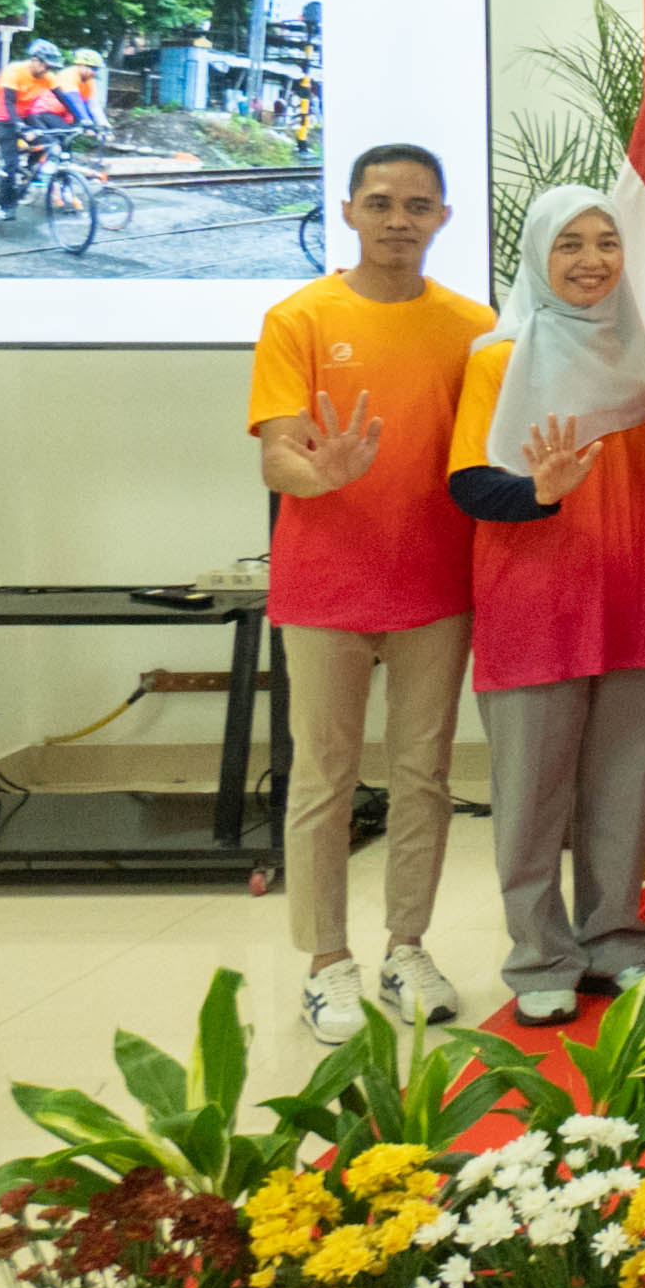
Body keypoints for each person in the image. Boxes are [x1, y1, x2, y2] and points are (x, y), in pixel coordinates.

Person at [246, 144, 493, 1041]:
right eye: (381, 202)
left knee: (423, 774)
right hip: (324, 587)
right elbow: (278, 451)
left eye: (418, 206)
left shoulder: (474, 326)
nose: (398, 220)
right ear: (348, 210)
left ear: (442, 218)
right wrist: (318, 475)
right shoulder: (299, 319)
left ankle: (406, 949)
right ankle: (327, 964)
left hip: (436, 582)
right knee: (325, 775)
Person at [448, 189, 645, 1027]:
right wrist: (539, 493)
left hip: (635, 601)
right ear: (538, 258)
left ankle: (617, 945)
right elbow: (469, 483)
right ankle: (540, 958)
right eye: (570, 245)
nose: (592, 260)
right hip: (534, 606)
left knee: (623, 791)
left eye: (606, 242)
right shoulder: (498, 360)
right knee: (530, 798)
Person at [0, 40, 73, 212]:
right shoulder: (14, 71)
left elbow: (64, 99)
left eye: (51, 67)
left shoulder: (48, 77)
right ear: (34, 60)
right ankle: (3, 207)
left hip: (25, 114)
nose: (48, 70)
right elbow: (8, 102)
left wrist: (83, 120)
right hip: (1, 116)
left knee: (48, 144)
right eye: (46, 66)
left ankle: (29, 172)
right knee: (11, 163)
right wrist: (20, 126)